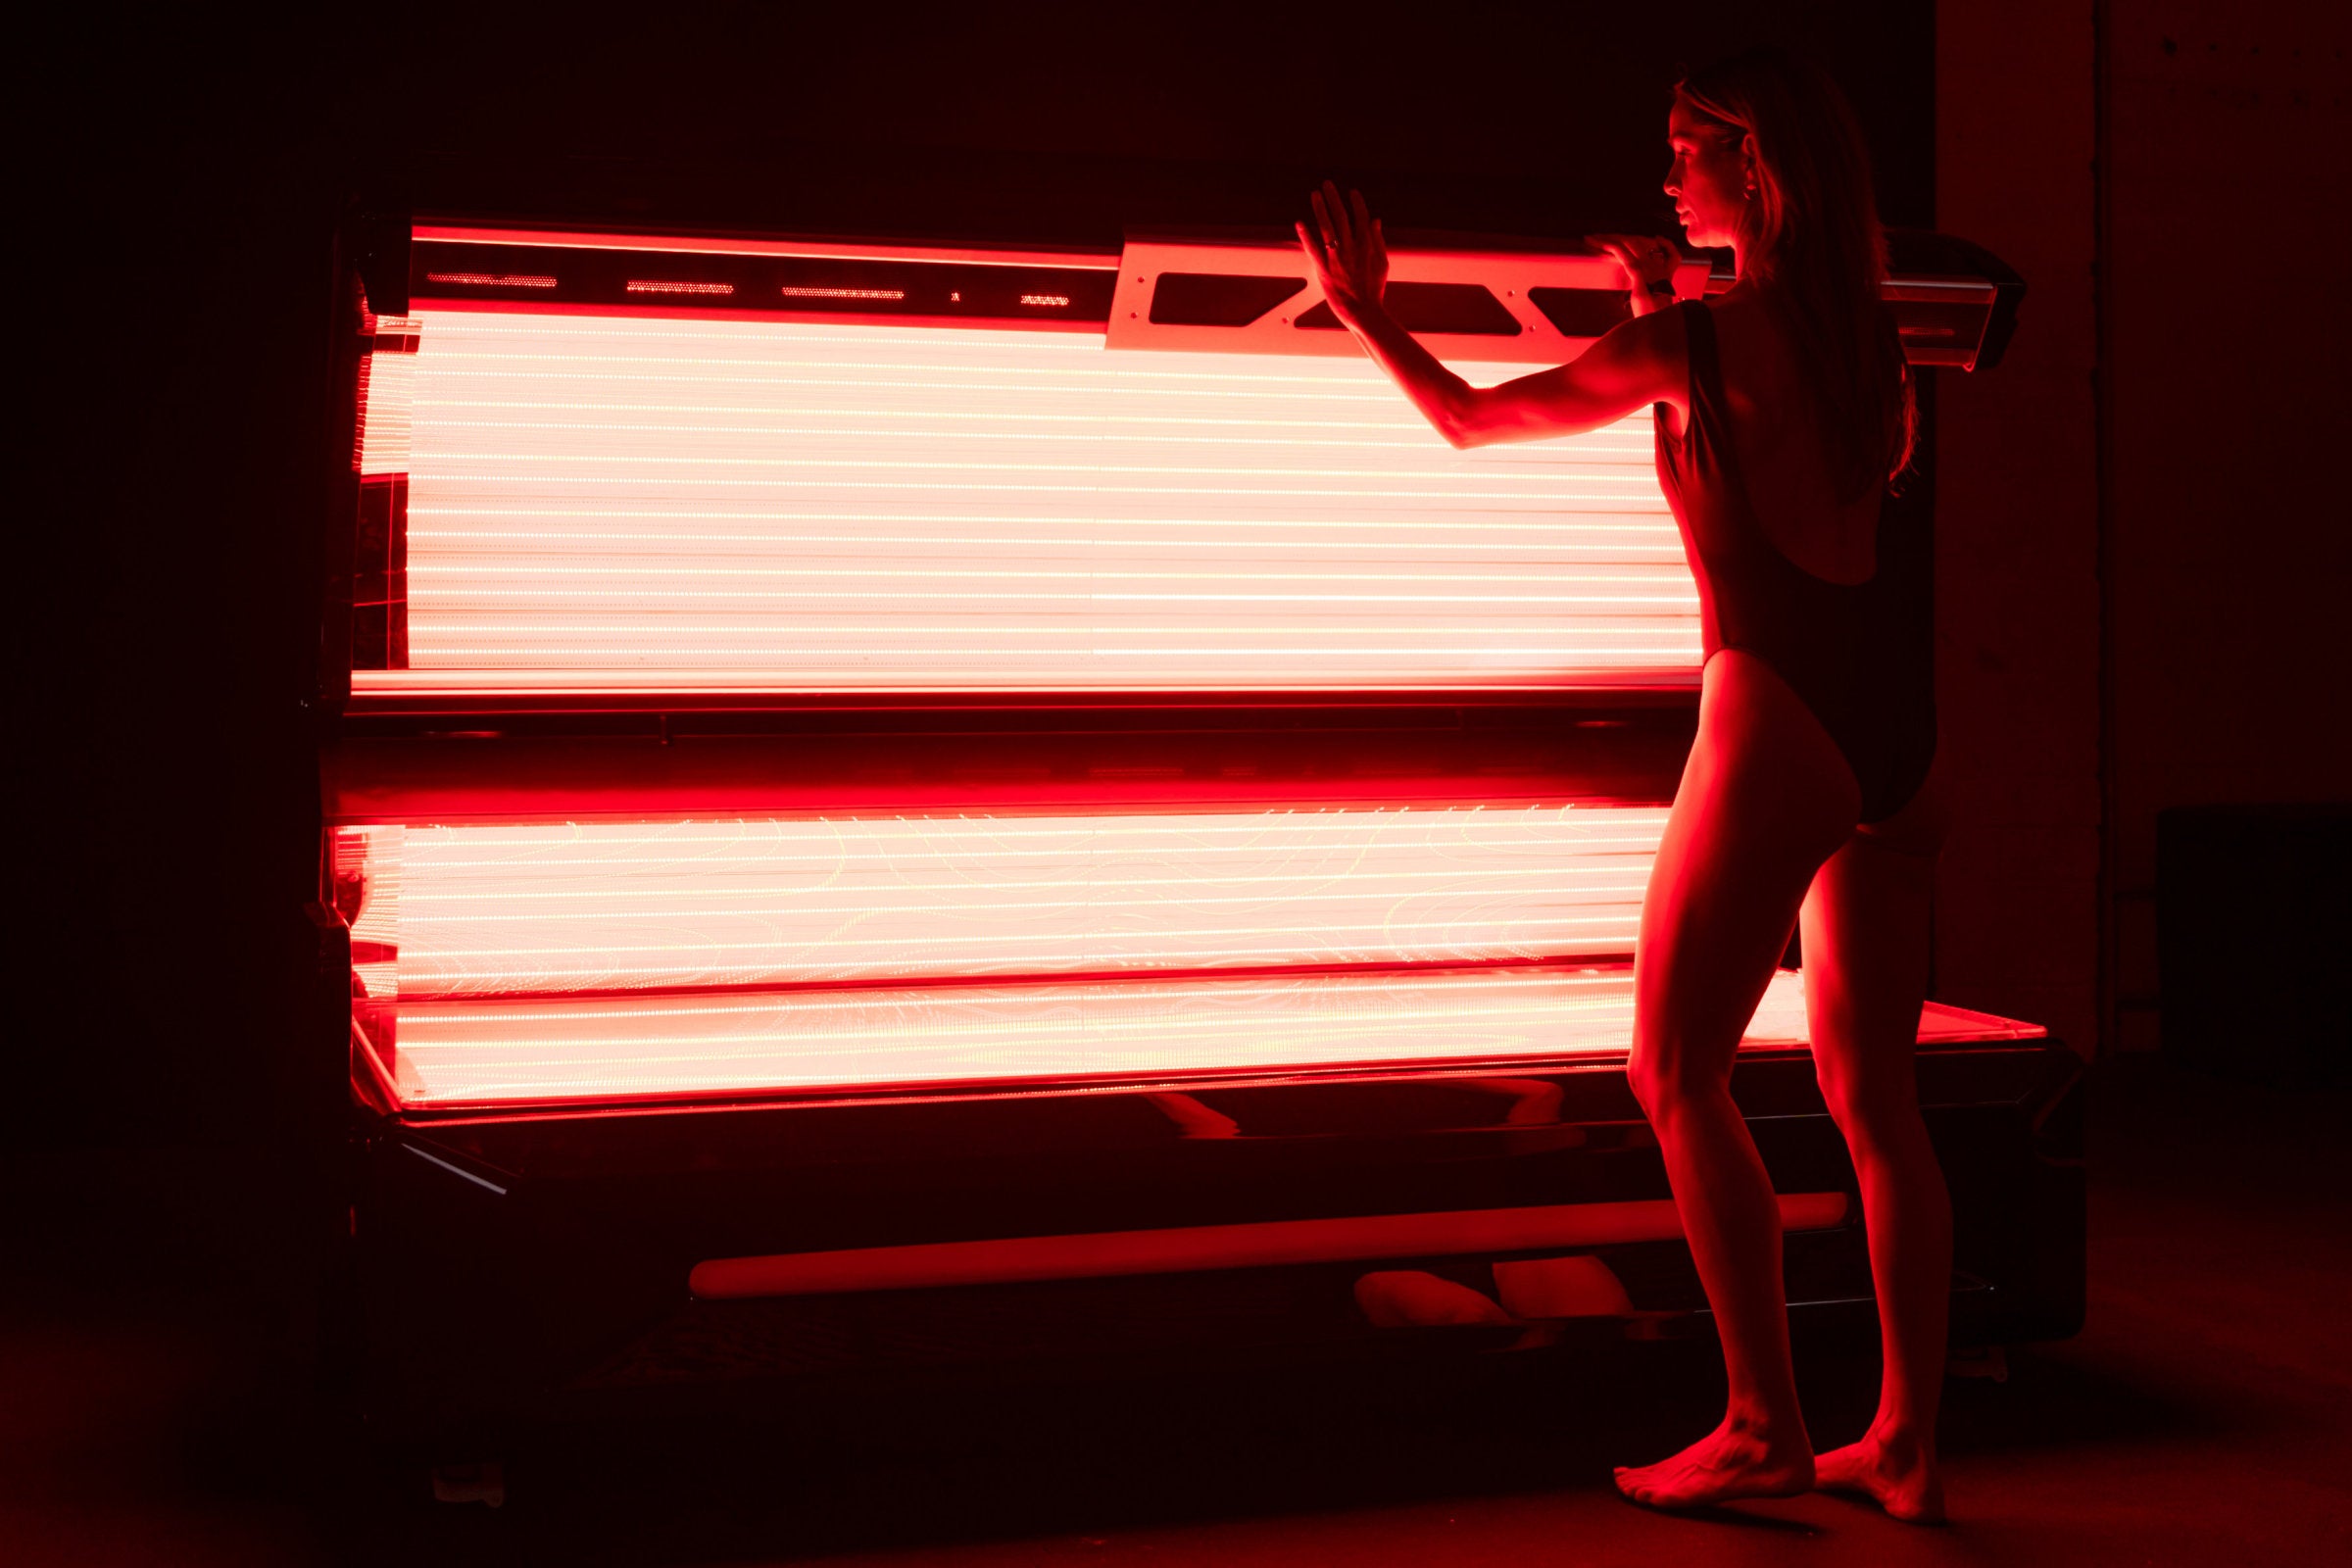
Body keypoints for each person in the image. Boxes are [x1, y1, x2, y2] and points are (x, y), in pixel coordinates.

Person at [1297, 46, 1951, 1524]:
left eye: (1685, 153)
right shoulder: (1866, 340)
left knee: (1675, 1072)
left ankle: (1761, 1424)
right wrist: (1661, 296)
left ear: (1754, 169)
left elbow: (1473, 418)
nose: (1667, 176)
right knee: (1878, 1103)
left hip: (1775, 712)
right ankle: (1907, 1438)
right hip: (1901, 741)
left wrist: (1369, 313)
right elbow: (1754, 428)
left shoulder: (1705, 341)